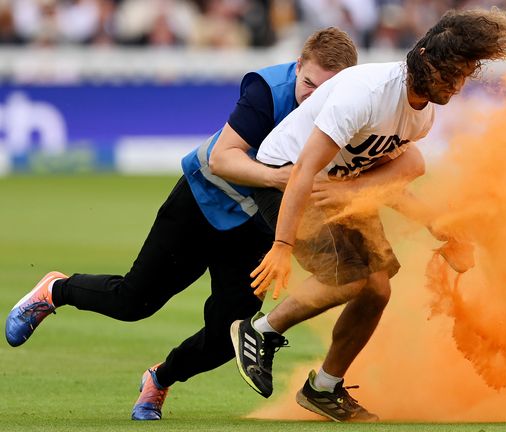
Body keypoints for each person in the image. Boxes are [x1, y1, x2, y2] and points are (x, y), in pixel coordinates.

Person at [4, 27, 358, 421]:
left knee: (230, 338)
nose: (314, 96)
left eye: (325, 90)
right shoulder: (266, 91)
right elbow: (224, 159)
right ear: (298, 67)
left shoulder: (348, 111)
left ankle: (160, 378)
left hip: (254, 227)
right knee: (133, 303)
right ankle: (55, 290)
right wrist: (286, 179)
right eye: (308, 83)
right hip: (201, 201)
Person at [229, 8, 506, 422]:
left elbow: (386, 183)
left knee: (377, 290)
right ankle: (259, 331)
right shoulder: (365, 94)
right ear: (423, 57)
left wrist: (443, 231)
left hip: (334, 185)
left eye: (464, 75)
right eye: (449, 73)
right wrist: (282, 244)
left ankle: (324, 388)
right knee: (351, 278)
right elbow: (302, 171)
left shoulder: (421, 116)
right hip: (288, 178)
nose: (456, 85)